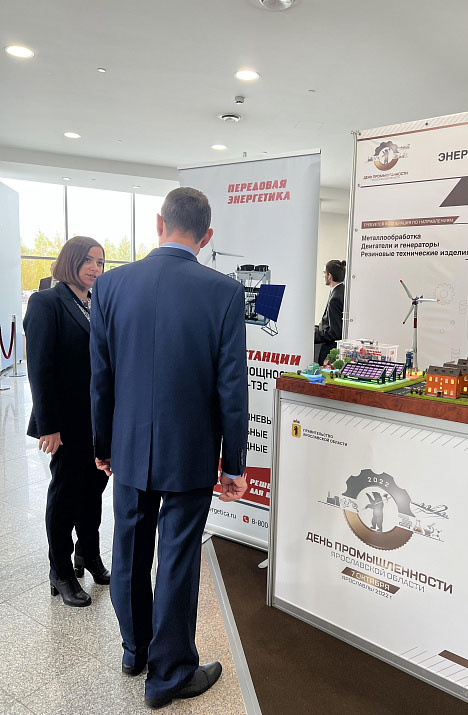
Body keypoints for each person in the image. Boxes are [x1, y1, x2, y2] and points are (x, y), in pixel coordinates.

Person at [90, 187, 248, 709]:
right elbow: (232, 386)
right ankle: (169, 674)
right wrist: (234, 463)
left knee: (129, 549)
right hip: (191, 451)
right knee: (178, 556)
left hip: (129, 447)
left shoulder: (110, 285)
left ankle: (134, 650)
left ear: (159, 224)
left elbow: (101, 378)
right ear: (207, 236)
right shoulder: (224, 292)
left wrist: (103, 444)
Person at [24, 236, 110, 608]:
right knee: (65, 494)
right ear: (70, 261)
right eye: (88, 260)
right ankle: (59, 570)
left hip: (97, 418)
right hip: (66, 421)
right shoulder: (47, 302)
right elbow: (39, 367)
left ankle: (87, 554)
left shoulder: (96, 303)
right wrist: (48, 425)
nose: (95, 268)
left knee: (94, 489)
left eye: (100, 262)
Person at [314, 258, 346, 365]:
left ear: (329, 276)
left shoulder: (335, 298)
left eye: (324, 273)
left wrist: (314, 334)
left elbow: (335, 332)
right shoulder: (342, 291)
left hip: (330, 352)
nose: (323, 275)